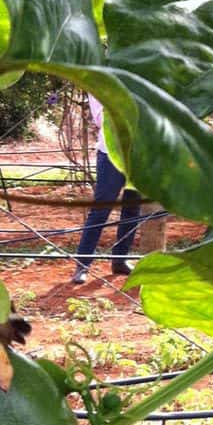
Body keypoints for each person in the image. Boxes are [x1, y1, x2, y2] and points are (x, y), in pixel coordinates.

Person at [71, 95, 142, 284]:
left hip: (137, 153)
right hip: (111, 153)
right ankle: (82, 265)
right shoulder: (99, 81)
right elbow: (102, 118)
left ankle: (120, 260)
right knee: (101, 209)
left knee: (132, 208)